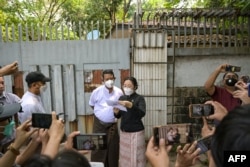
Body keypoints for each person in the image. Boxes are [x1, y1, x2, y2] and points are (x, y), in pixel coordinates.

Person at [89, 69, 123, 167]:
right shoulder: (97, 92)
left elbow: (121, 107)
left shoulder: (119, 92)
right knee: (97, 148)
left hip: (112, 125)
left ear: (114, 78)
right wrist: (102, 113)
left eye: (111, 78)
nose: (110, 81)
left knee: (113, 150)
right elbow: (92, 105)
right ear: (102, 80)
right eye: (107, 79)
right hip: (99, 125)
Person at [113, 76, 146, 167]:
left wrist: (131, 106)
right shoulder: (122, 97)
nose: (126, 88)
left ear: (135, 87)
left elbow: (142, 113)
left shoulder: (139, 98)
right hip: (124, 131)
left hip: (137, 131)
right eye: (125, 85)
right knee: (125, 157)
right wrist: (116, 113)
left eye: (129, 86)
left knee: (137, 156)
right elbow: (119, 115)